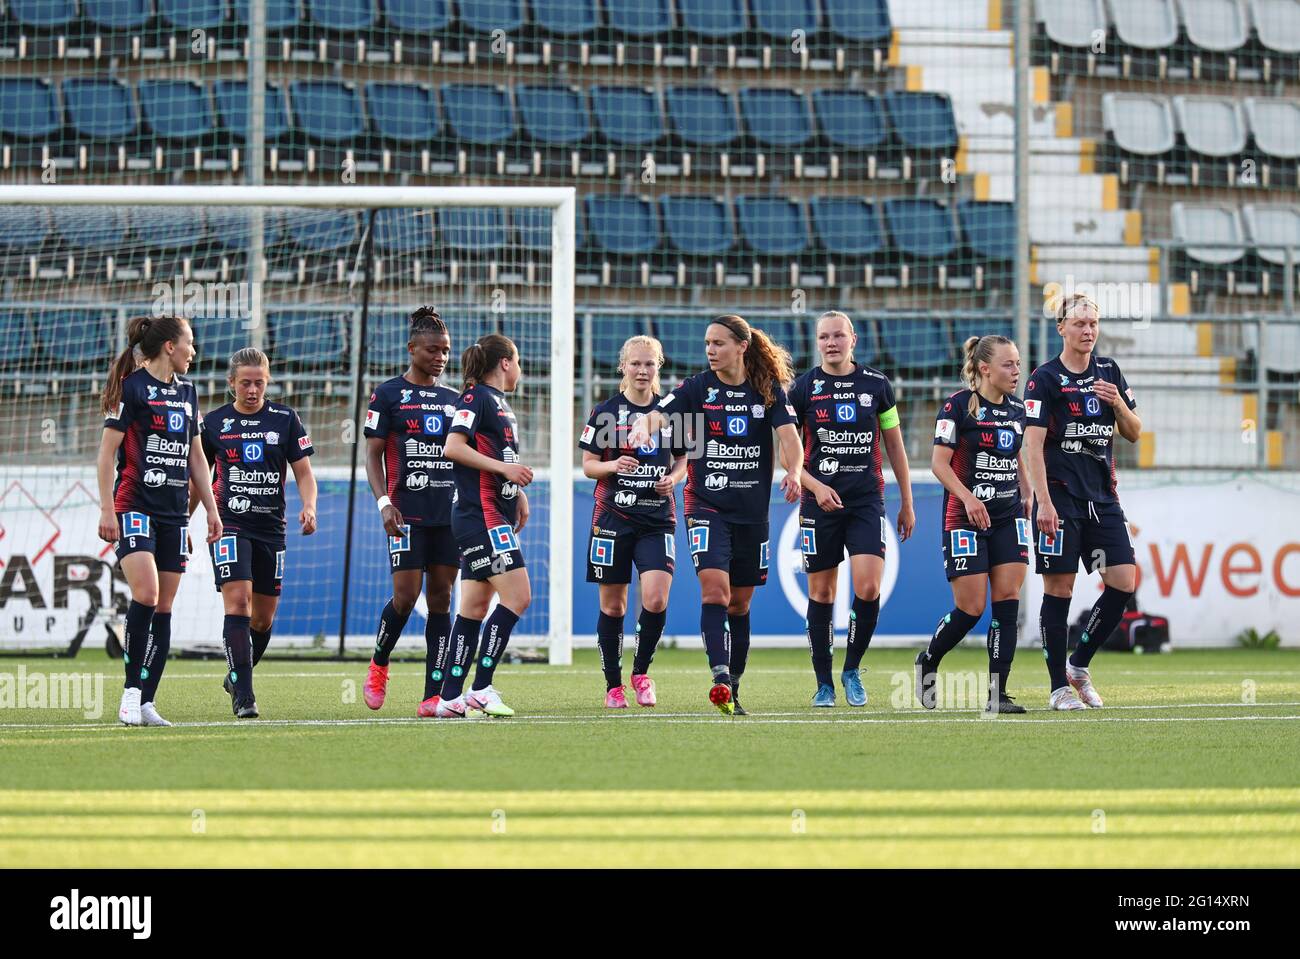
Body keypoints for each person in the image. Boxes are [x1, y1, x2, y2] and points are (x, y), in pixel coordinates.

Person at [629, 315, 803, 716]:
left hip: (752, 512)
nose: (710, 350)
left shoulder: (767, 389)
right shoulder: (697, 387)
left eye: (719, 343)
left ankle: (735, 687)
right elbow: (660, 412)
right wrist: (644, 426)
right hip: (705, 505)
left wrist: (794, 471)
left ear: (742, 346)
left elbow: (791, 439)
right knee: (716, 594)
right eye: (707, 342)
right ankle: (720, 677)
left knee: (740, 605)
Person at [97, 315, 221, 726]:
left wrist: (211, 511)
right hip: (133, 504)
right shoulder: (131, 389)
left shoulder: (189, 392)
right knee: (147, 595)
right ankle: (130, 693)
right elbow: (105, 454)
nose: (194, 352)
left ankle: (147, 701)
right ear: (170, 346)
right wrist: (106, 509)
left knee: (164, 607)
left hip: (173, 514)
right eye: (190, 343)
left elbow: (198, 459)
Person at [788, 311, 915, 708]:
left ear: (853, 339)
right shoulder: (803, 389)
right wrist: (814, 485)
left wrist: (907, 502)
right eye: (824, 337)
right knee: (822, 592)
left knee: (868, 587)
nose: (831, 343)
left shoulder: (877, 385)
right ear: (817, 342)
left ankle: (852, 669)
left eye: (838, 336)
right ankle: (823, 683)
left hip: (865, 501)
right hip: (818, 502)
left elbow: (894, 445)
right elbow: (787, 452)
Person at [1023, 293, 1142, 710]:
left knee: (1123, 582)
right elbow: (1031, 445)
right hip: (1060, 499)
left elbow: (1134, 431)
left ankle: (1078, 665)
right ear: (1062, 328)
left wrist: (1118, 404)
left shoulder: (1109, 371)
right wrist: (1044, 502)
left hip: (1102, 500)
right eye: (1079, 323)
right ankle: (1058, 688)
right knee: (1060, 589)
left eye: (1093, 323)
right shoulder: (1044, 378)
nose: (1088, 330)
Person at [201, 347, 317, 718]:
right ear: (231, 383)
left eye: (260, 383)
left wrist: (309, 505)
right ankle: (245, 697)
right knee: (238, 603)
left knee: (263, 620)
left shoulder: (286, 419)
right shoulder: (214, 424)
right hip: (229, 525)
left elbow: (303, 472)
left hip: (272, 528)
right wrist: (183, 522)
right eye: (245, 383)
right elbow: (199, 480)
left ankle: (236, 672)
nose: (253, 390)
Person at [918, 335, 1030, 715]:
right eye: (1008, 365)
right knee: (970, 608)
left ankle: (998, 694)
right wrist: (968, 497)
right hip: (964, 517)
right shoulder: (958, 407)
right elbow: (939, 464)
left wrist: (1030, 495)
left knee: (1007, 604)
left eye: (1017, 363)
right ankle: (928, 661)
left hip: (1008, 516)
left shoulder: (1018, 409)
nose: (1016, 371)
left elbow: (1016, 457)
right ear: (985, 369)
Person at [361, 308, 461, 717]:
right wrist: (384, 502)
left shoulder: (456, 400)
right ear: (411, 349)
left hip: (449, 515)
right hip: (405, 514)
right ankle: (379, 663)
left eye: (447, 351)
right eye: (433, 350)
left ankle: (432, 695)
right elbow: (372, 456)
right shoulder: (387, 395)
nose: (440, 357)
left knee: (441, 598)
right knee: (405, 597)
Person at [580, 335, 687, 708]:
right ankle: (613, 685)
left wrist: (673, 480)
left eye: (650, 364)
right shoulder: (606, 412)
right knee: (614, 607)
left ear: (659, 366)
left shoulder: (673, 411)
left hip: (657, 518)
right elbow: (588, 465)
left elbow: (683, 460)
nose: (643, 370)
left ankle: (641, 673)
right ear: (623, 366)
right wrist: (613, 464)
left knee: (655, 598)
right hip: (612, 517)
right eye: (636, 363)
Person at [438, 334, 533, 718]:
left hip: (490, 512)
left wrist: (514, 489)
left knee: (474, 608)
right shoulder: (475, 397)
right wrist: (504, 470)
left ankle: (449, 697)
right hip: (483, 518)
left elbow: (496, 457)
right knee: (518, 597)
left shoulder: (497, 403)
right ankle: (481, 687)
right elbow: (453, 447)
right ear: (506, 363)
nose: (520, 369)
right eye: (518, 360)